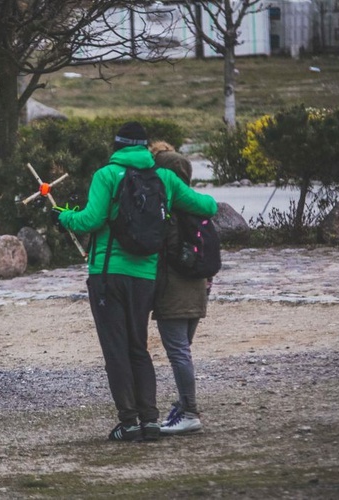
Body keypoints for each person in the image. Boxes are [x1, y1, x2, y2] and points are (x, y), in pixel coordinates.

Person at [53, 122, 217, 442]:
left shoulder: (106, 175)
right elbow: (208, 206)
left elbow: (91, 219)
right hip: (145, 278)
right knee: (138, 348)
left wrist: (64, 216)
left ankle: (128, 422)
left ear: (116, 145)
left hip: (108, 275)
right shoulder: (165, 178)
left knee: (116, 349)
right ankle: (151, 421)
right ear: (144, 147)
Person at [150, 141, 209, 435]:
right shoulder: (196, 207)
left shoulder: (167, 211)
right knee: (183, 350)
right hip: (198, 287)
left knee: (178, 353)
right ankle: (184, 405)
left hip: (175, 289)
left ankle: (189, 411)